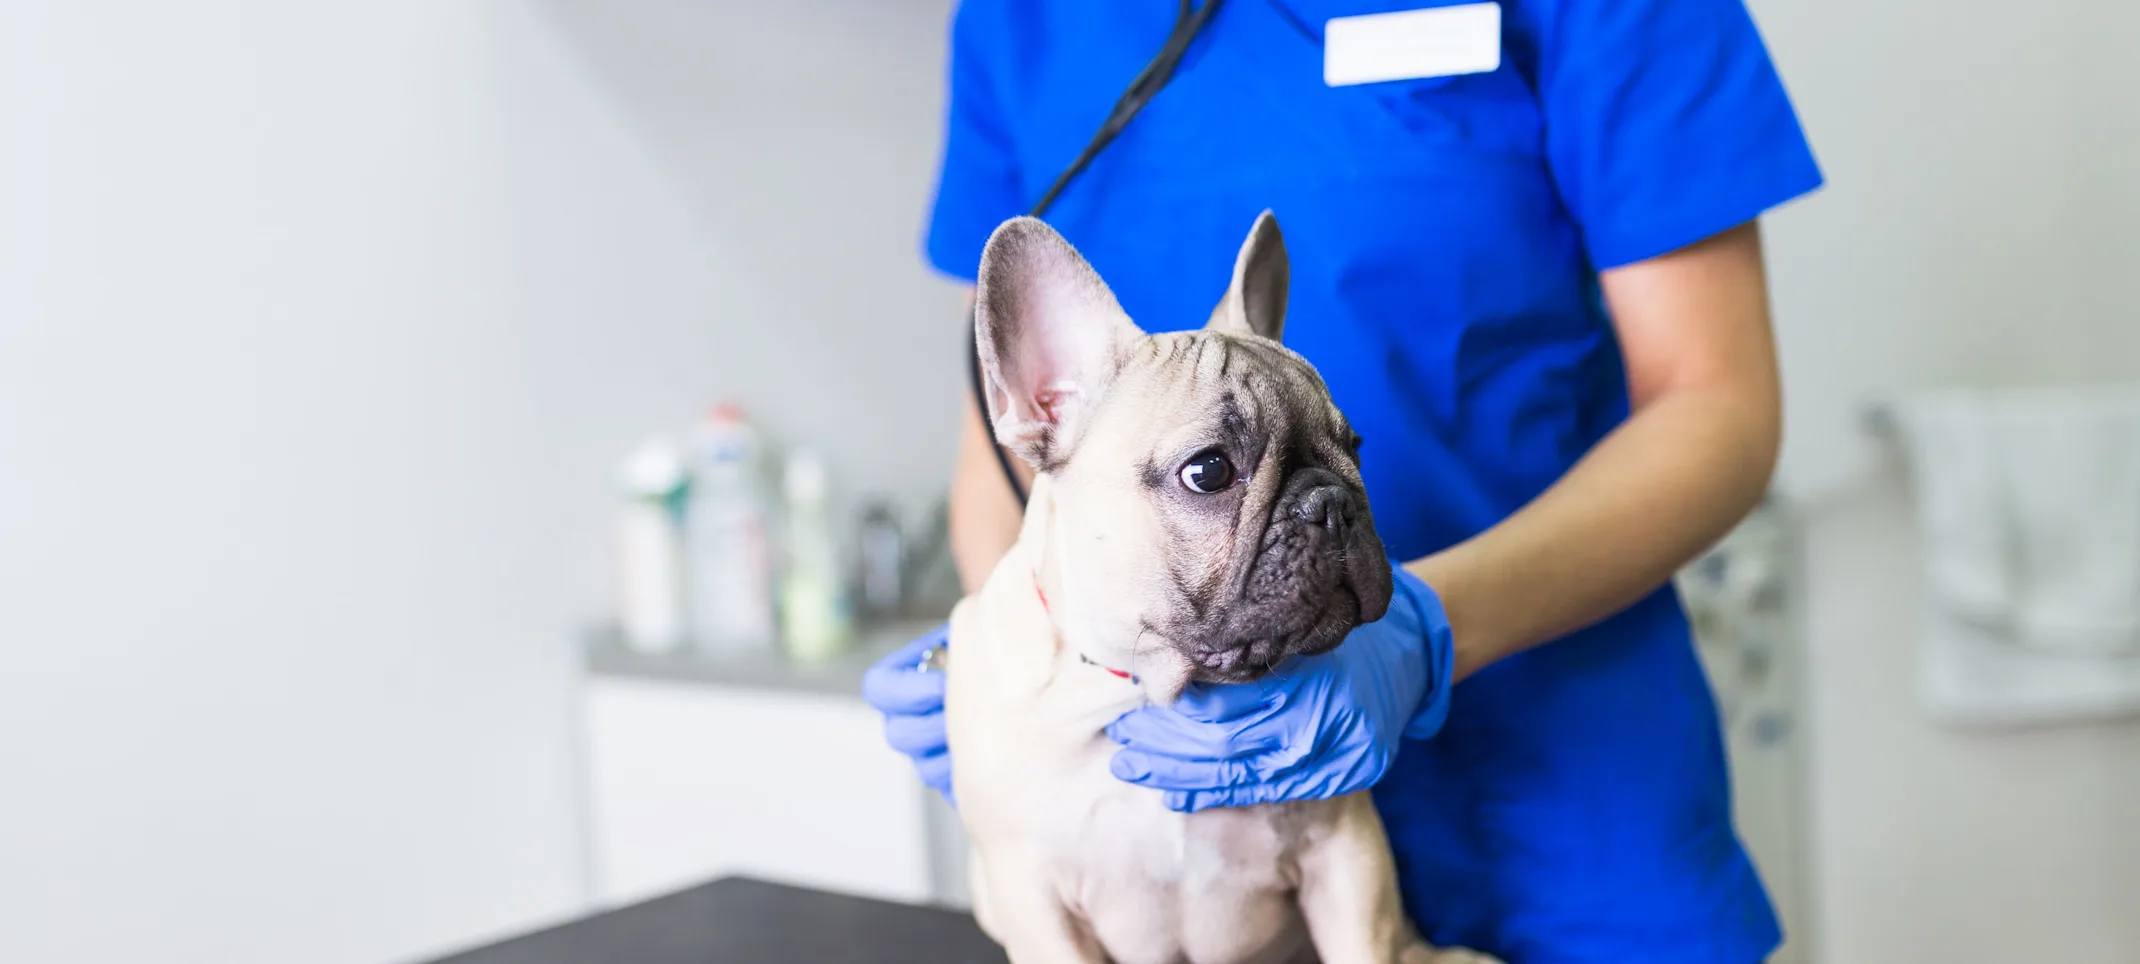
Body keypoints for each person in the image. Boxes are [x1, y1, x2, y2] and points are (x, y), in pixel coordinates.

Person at [863, 1, 1822, 960]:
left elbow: (1715, 402)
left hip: (1565, 795)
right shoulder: (1014, 18)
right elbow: (1008, 455)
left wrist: (1424, 632)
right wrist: (1012, 666)